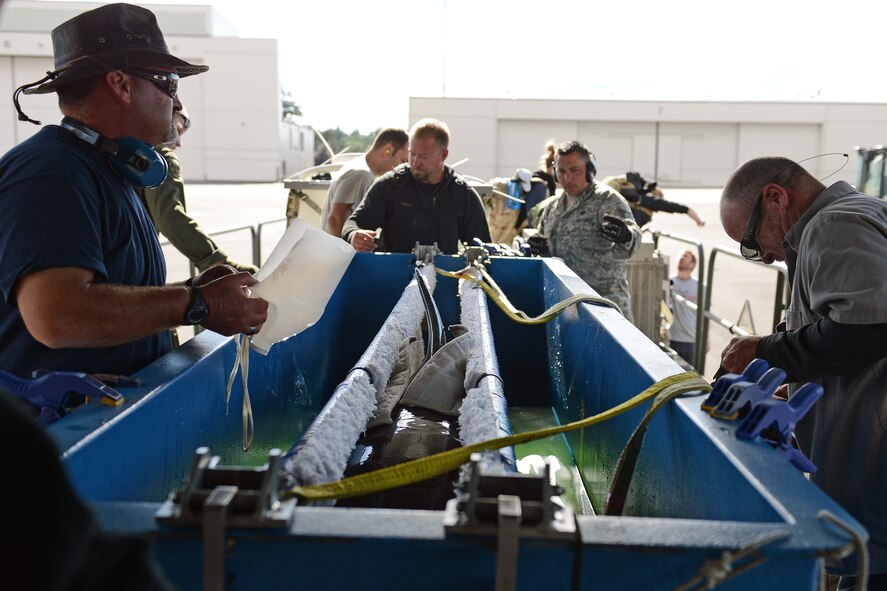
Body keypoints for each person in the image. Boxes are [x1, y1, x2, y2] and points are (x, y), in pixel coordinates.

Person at [0, 3, 269, 380]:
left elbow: (108, 293)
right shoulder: (50, 173)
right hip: (65, 432)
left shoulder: (109, 169)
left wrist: (193, 290)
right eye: (170, 84)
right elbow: (57, 315)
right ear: (120, 84)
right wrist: (196, 304)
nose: (176, 102)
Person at [718, 156, 887, 591]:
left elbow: (869, 327)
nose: (767, 256)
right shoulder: (856, 213)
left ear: (775, 198)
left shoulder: (834, 227)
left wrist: (768, 350)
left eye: (753, 242)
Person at [342, 118, 491, 254]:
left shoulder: (463, 195)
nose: (415, 162)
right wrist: (354, 235)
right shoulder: (390, 185)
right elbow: (354, 222)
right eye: (412, 154)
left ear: (444, 154)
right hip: (393, 278)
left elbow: (481, 247)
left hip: (443, 279)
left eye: (423, 157)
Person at [137, 107, 258, 274]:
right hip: (137, 268)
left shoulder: (122, 153)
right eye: (177, 132)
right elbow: (171, 216)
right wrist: (217, 261)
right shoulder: (159, 158)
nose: (178, 143)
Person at [536, 140, 642, 322]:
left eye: (574, 170)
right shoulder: (552, 208)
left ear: (589, 169)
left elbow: (634, 236)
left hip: (605, 309)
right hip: (566, 308)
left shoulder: (607, 200)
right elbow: (542, 241)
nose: (567, 178)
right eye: (562, 171)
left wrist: (626, 235)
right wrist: (541, 252)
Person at [319, 127, 409, 237]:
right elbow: (335, 218)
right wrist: (344, 253)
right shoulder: (360, 174)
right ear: (388, 150)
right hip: (340, 253)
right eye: (403, 161)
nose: (402, 168)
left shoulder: (363, 171)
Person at [603, 171, 705, 229]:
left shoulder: (644, 196)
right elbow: (683, 209)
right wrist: (699, 220)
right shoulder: (645, 196)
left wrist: (699, 220)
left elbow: (683, 209)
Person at [485, 168, 550, 245]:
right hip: (513, 228)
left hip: (504, 230)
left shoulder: (504, 186)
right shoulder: (539, 188)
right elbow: (532, 218)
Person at [668, 249, 700, 368]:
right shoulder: (669, 281)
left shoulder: (699, 285)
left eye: (686, 256)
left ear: (692, 264)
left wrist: (706, 340)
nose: (681, 257)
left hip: (690, 340)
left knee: (689, 375)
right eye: (680, 255)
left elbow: (703, 315)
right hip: (672, 337)